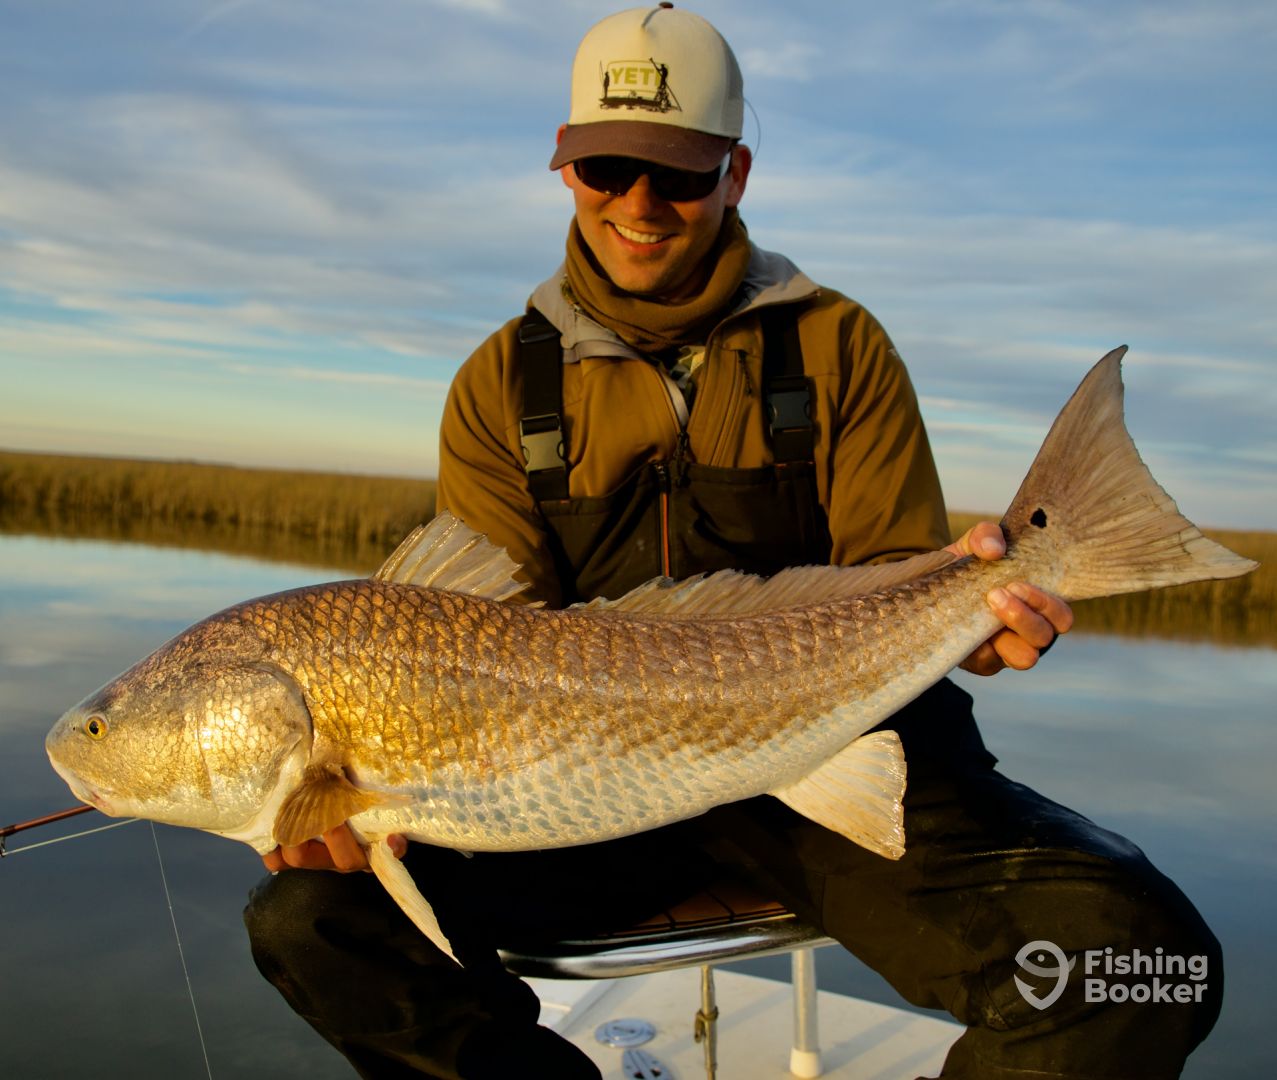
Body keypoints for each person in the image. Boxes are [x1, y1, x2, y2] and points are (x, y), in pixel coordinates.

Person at [244, 6, 1222, 1078]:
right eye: (608, 167)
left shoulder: (838, 343)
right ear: (563, 166)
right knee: (312, 923)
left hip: (831, 751)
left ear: (734, 172)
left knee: (1139, 967)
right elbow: (473, 629)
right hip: (570, 798)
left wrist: (979, 626)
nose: (639, 203)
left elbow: (896, 573)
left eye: (677, 172)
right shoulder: (498, 383)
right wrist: (362, 799)